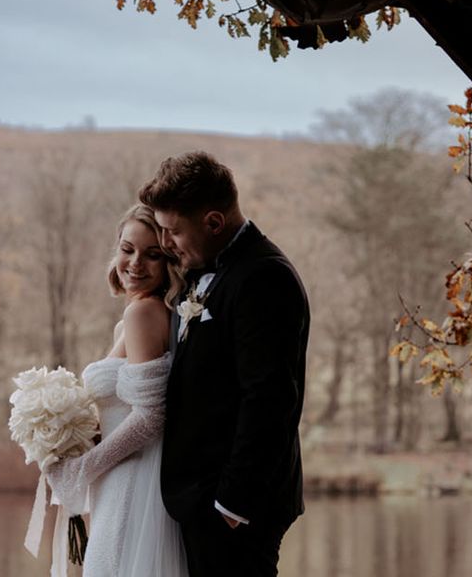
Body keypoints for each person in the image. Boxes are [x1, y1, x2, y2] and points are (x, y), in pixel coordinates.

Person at [139, 151, 310, 577]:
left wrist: (231, 505)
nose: (166, 243)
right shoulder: (203, 268)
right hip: (198, 499)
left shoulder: (264, 277)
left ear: (214, 222)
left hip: (234, 507)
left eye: (173, 231)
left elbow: (270, 399)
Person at [45, 203, 189, 577]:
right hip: (119, 474)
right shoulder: (135, 317)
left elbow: (151, 417)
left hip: (134, 477)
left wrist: (81, 469)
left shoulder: (143, 314)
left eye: (152, 255)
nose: (136, 263)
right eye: (128, 249)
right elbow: (125, 410)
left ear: (168, 261)